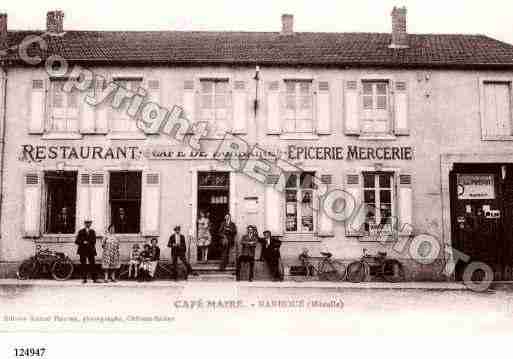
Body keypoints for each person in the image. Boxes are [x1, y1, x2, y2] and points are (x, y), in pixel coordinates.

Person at [75, 219, 100, 284]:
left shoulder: (92, 231)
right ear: (84, 224)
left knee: (92, 264)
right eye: (86, 223)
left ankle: (94, 279)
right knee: (83, 265)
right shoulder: (81, 231)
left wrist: (88, 242)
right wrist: (83, 242)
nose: (88, 224)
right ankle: (84, 279)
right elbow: (77, 241)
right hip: (82, 250)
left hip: (90, 250)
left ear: (91, 224)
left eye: (89, 223)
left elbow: (94, 241)